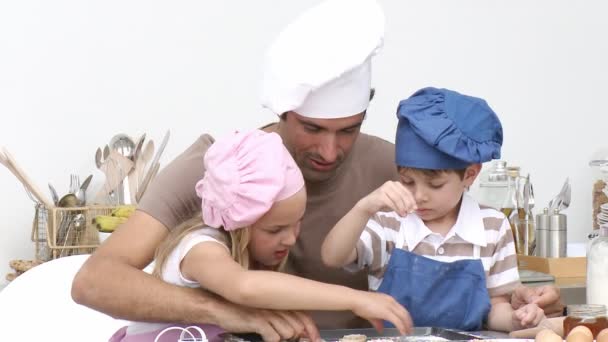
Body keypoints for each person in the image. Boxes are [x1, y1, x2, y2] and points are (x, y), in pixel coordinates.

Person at [72, 0, 564, 339]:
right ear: (281, 112)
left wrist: (528, 299)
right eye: (311, 128)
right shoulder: (217, 167)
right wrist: (225, 312)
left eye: (348, 129)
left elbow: (465, 257)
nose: (330, 150)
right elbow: (94, 282)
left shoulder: (400, 171)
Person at [109, 129, 412, 341]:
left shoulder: (246, 255)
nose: (292, 239)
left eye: (297, 223)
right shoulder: (200, 247)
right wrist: (354, 299)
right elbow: (245, 286)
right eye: (275, 229)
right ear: (237, 225)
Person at [321, 87, 547, 332]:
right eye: (408, 182)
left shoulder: (493, 226)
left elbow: (496, 306)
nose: (419, 196)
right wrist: (364, 208)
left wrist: (516, 319)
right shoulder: (389, 223)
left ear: (470, 174)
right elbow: (332, 257)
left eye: (435, 184)